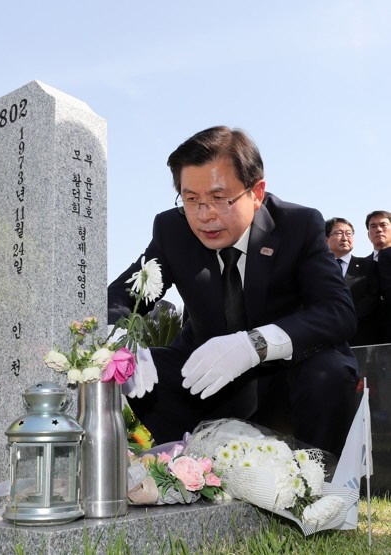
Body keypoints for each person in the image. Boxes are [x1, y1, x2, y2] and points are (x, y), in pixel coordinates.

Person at [108, 126, 358, 457]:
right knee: (136, 370)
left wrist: (254, 344)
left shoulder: (299, 225)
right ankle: (192, 471)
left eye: (220, 198)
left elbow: (337, 312)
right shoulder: (173, 230)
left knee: (328, 371)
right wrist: (123, 346)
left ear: (256, 192)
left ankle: (318, 485)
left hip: (286, 380)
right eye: (191, 199)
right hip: (205, 381)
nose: (204, 215)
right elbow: (120, 297)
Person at [325, 217, 381, 346]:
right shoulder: (317, 270)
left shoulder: (369, 266)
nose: (345, 238)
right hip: (327, 338)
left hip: (361, 338)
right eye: (339, 233)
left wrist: (346, 317)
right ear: (326, 239)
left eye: (349, 233)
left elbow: (372, 297)